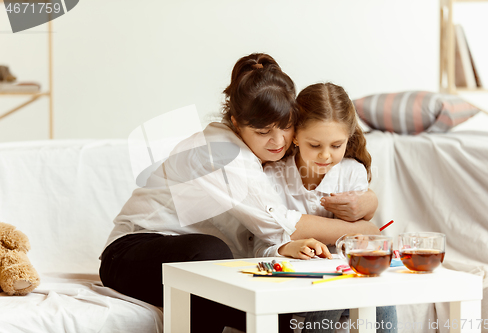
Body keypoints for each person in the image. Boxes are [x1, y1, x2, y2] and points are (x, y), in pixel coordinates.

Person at [99, 54, 379, 333]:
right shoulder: (222, 152)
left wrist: (369, 201)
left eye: (284, 126)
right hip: (131, 255)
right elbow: (280, 222)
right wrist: (364, 227)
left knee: (276, 308)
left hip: (196, 260)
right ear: (236, 123)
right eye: (263, 131)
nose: (278, 141)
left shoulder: (280, 154)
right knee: (211, 255)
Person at [264, 82, 397, 332]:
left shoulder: (352, 172)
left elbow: (365, 235)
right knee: (333, 287)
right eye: (315, 145)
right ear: (295, 137)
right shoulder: (273, 175)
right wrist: (288, 246)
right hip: (293, 284)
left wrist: (362, 238)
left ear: (348, 138)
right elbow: (263, 239)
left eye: (336, 146)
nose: (326, 156)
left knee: (379, 295)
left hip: (340, 279)